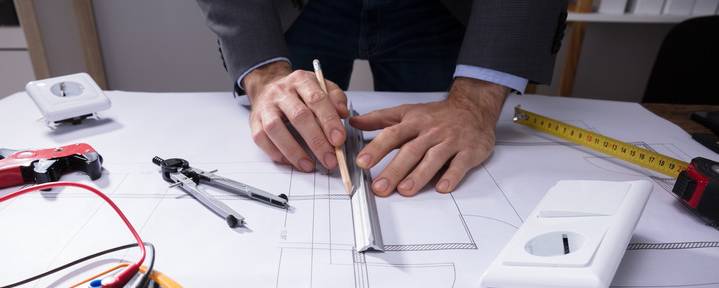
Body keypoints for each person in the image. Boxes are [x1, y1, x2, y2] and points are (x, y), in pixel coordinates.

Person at [196, 0, 568, 197]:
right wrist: (264, 76)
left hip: (437, 9)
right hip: (301, 7)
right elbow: (271, 81)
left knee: (442, 149)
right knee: (295, 125)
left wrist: (474, 103)